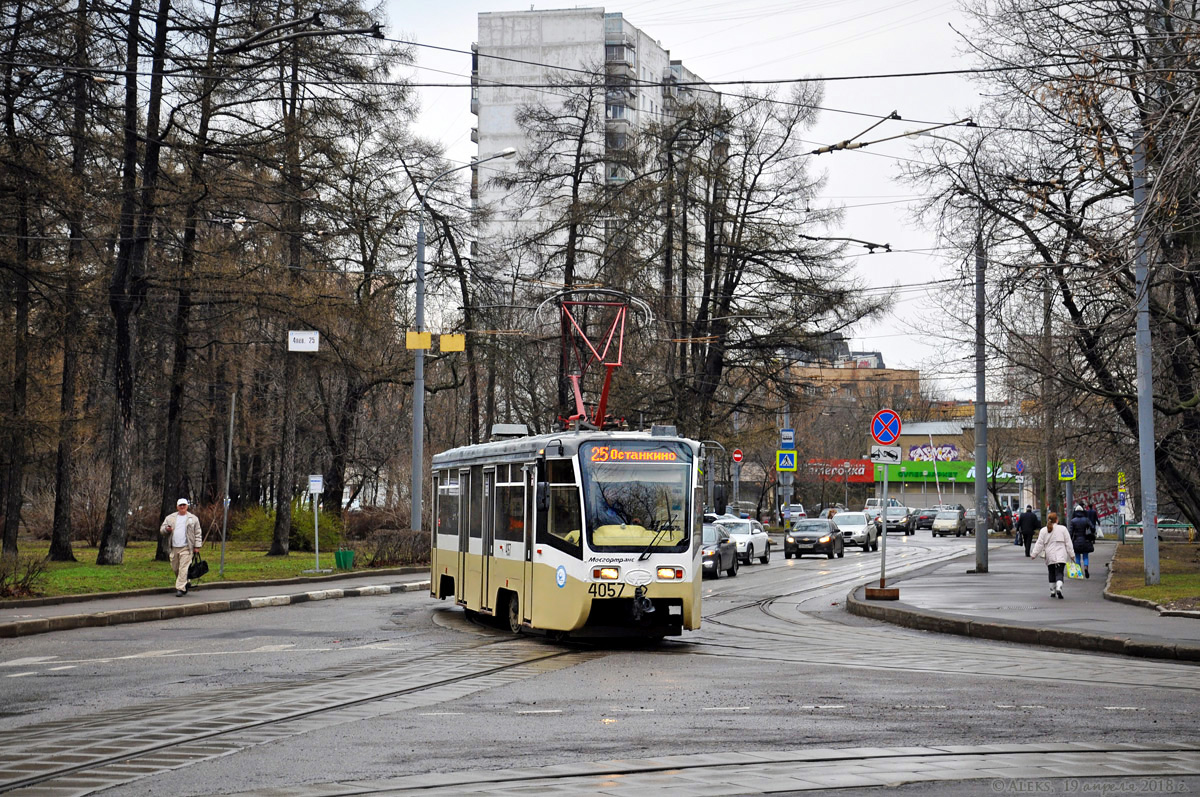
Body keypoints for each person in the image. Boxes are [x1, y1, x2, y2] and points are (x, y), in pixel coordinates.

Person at [159, 498, 202, 597]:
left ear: (187, 506)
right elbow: (162, 529)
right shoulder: (170, 518)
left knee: (183, 568)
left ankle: (180, 588)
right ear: (177, 506)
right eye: (180, 505)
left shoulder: (193, 518)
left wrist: (197, 546)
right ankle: (186, 581)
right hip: (174, 547)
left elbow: (198, 533)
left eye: (184, 505)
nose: (182, 507)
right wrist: (167, 529)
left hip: (187, 547)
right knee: (175, 568)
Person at [1032, 510, 1075, 599]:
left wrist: (1034, 553)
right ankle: (1059, 587)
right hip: (1061, 554)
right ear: (1057, 520)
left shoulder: (1044, 530)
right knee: (1059, 572)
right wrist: (1072, 554)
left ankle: (1052, 591)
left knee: (1051, 572)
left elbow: (1039, 543)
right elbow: (1068, 543)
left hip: (1049, 555)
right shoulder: (1063, 529)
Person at [1069, 504, 1095, 578]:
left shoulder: (1073, 521)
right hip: (1085, 540)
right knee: (1085, 556)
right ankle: (1086, 568)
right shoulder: (1086, 519)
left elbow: (1071, 532)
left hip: (1076, 541)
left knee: (1077, 557)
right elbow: (1092, 528)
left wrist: (1069, 542)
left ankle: (1079, 571)